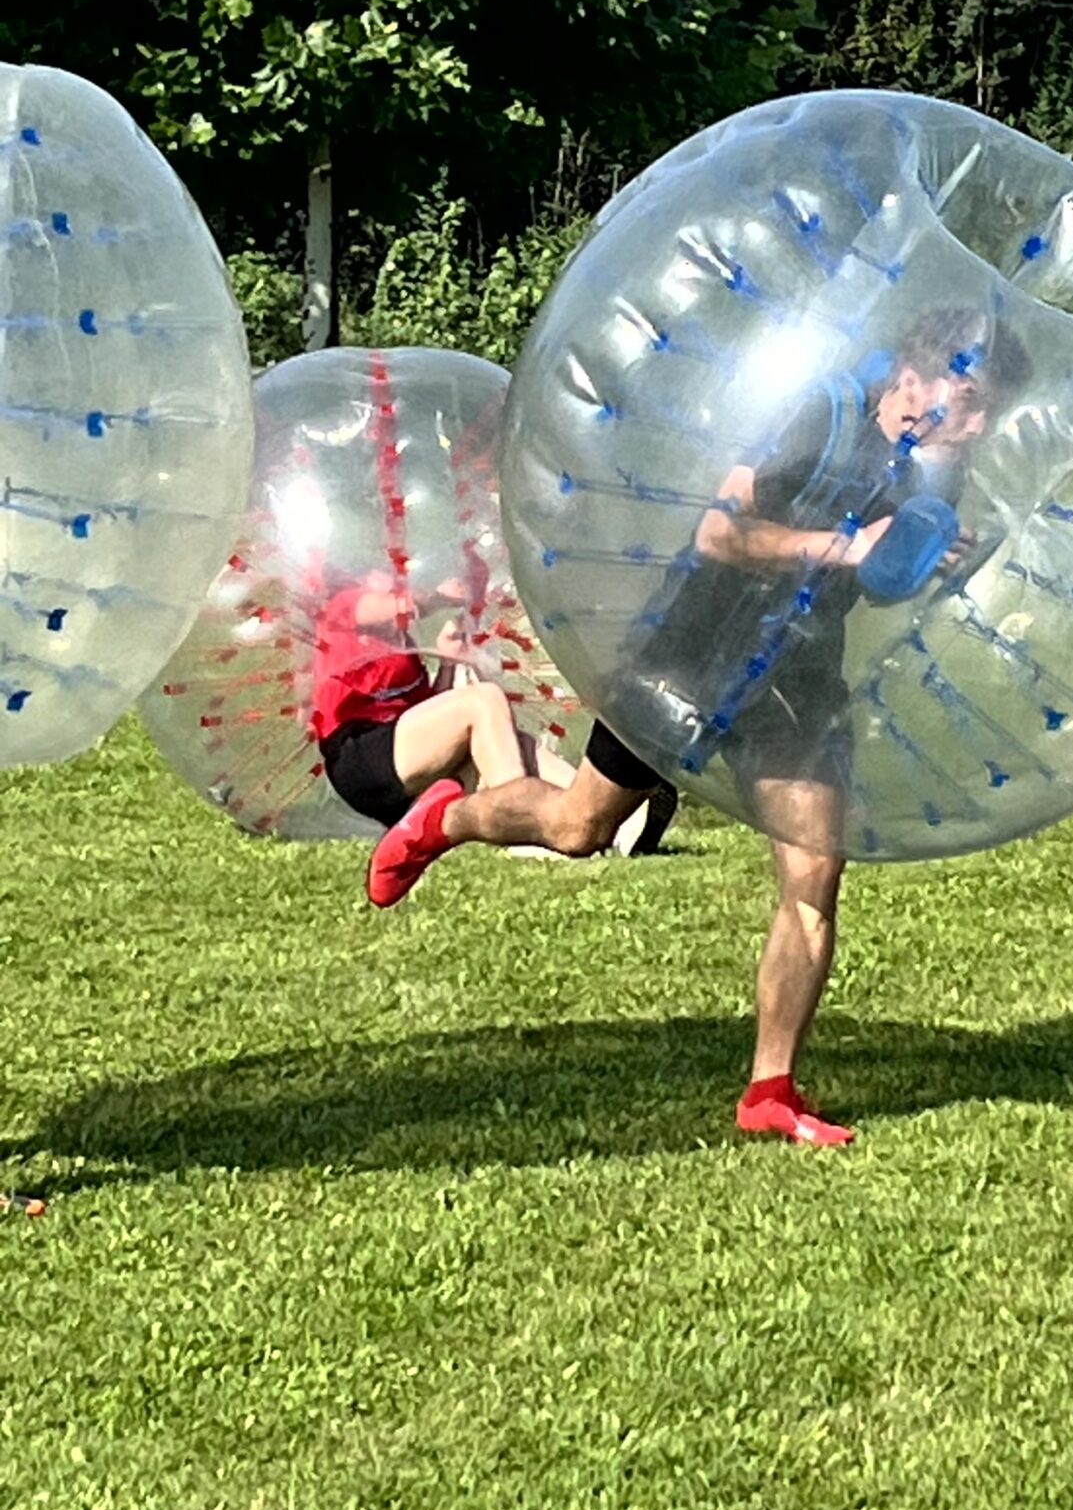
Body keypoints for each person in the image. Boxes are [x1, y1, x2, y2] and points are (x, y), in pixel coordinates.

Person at [364, 310, 1023, 1148]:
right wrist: (845, 547)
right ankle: (446, 818)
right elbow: (720, 534)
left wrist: (920, 568)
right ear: (916, 377)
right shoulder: (816, 413)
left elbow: (878, 584)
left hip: (797, 678)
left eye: (987, 410)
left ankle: (770, 1089)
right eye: (969, 400)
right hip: (693, 653)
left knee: (815, 878)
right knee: (579, 827)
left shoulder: (936, 476)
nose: (979, 424)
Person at [311, 565, 597, 839]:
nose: (395, 580)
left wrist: (447, 661)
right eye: (382, 573)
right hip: (359, 757)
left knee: (509, 740)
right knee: (482, 700)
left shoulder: (404, 648)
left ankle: (591, 812)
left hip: (399, 756)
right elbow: (403, 605)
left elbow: (426, 720)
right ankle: (517, 820)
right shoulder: (341, 607)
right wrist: (442, 597)